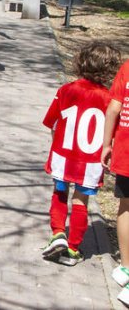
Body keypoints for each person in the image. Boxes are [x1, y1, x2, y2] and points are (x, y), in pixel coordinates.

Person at [41, 42, 121, 266]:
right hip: (90, 161)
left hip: (64, 155)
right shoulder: (108, 99)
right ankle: (74, 248)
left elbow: (50, 121)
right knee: (81, 201)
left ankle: (58, 233)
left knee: (59, 192)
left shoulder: (67, 90)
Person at [102, 56, 129, 304]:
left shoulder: (127, 68)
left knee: (126, 207)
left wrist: (106, 143)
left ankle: (126, 266)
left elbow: (113, 108)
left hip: (127, 151)